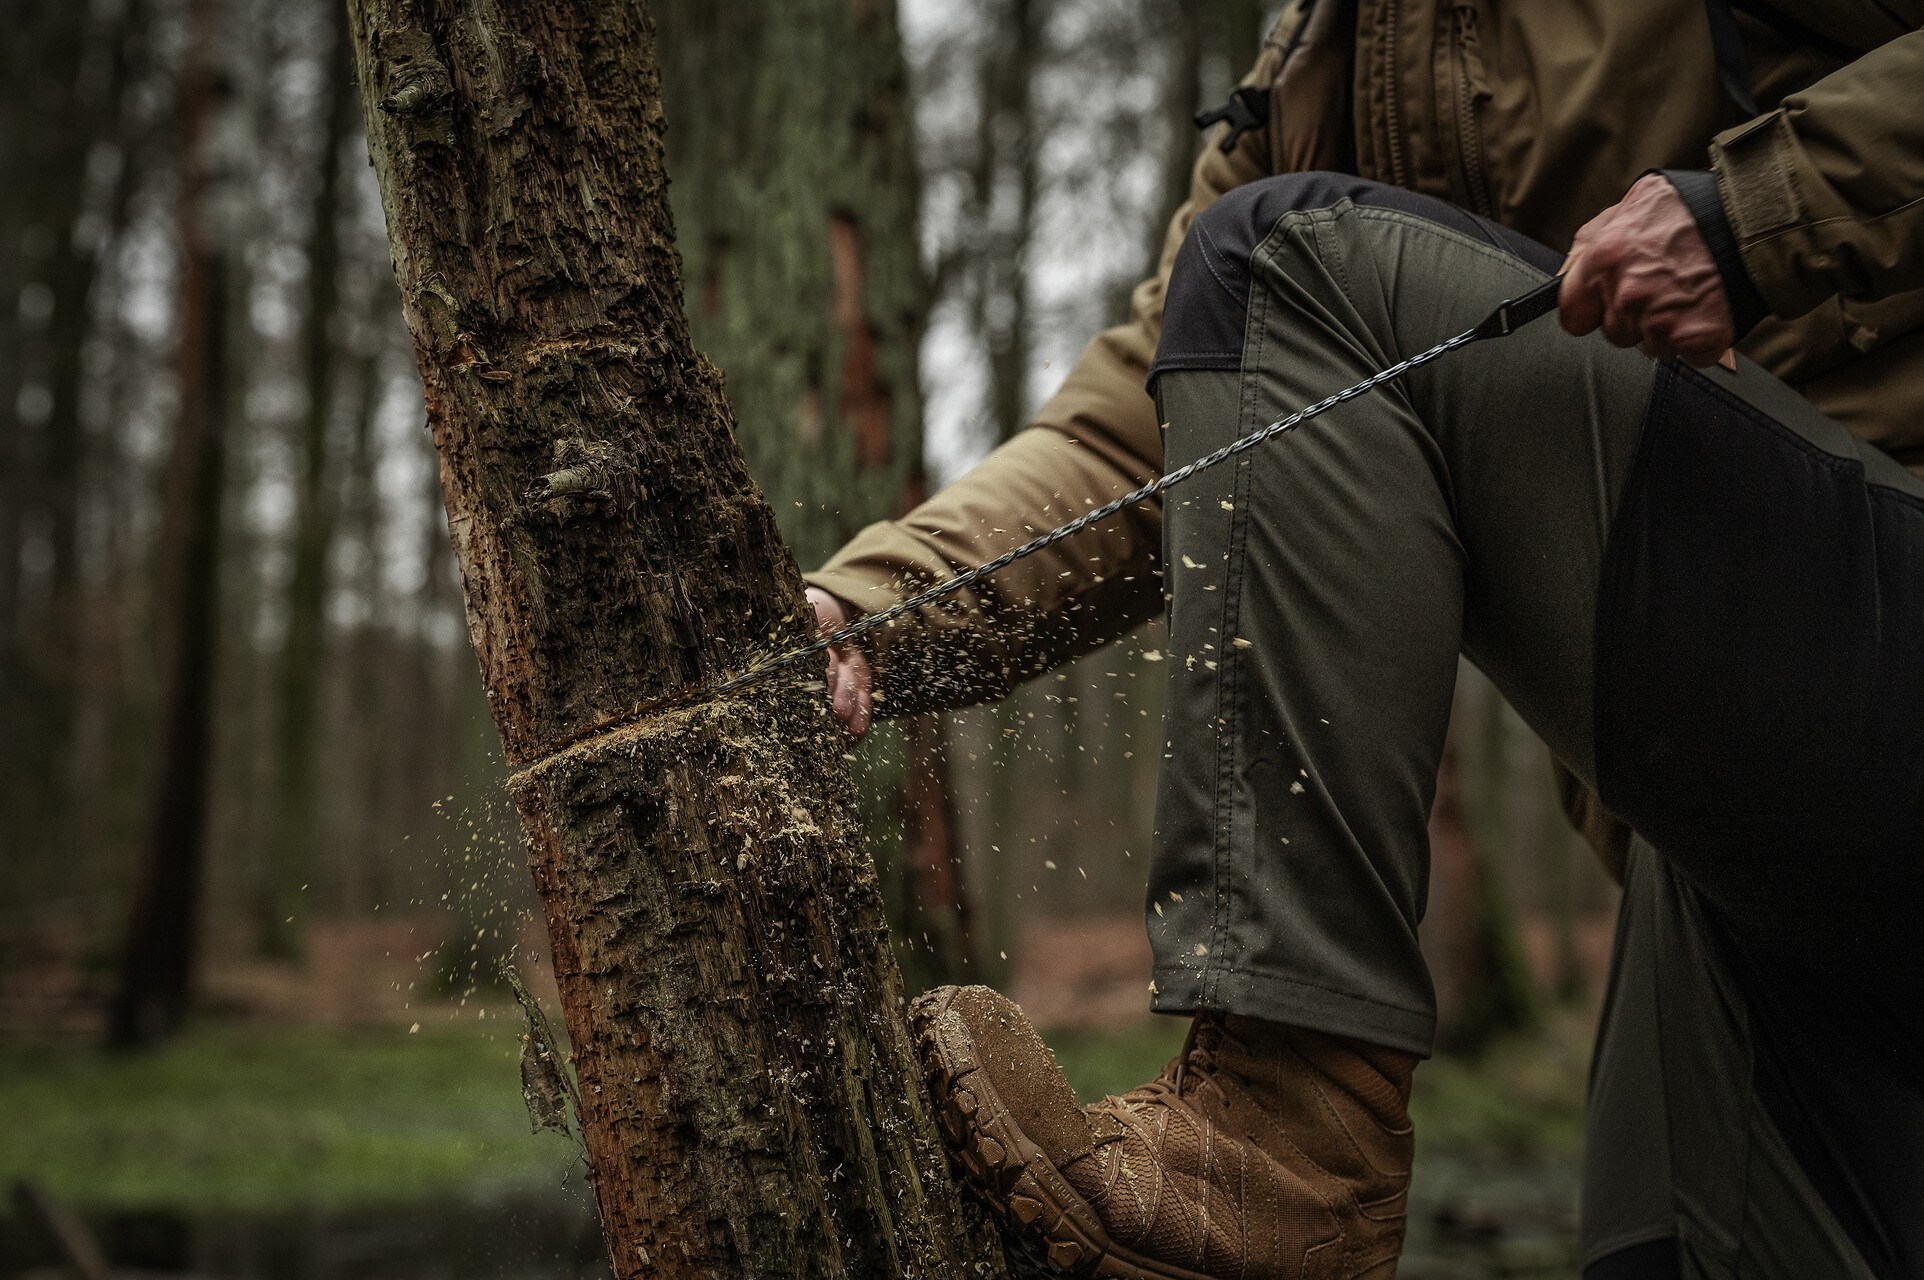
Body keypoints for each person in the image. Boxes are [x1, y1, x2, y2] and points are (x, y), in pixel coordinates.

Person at [806, 4, 1924, 1277]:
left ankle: (1287, 1146)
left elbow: (1281, 285)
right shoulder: (1338, 46)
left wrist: (1761, 211)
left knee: (1285, 257)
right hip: (1724, 853)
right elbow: (1167, 414)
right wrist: (871, 607)